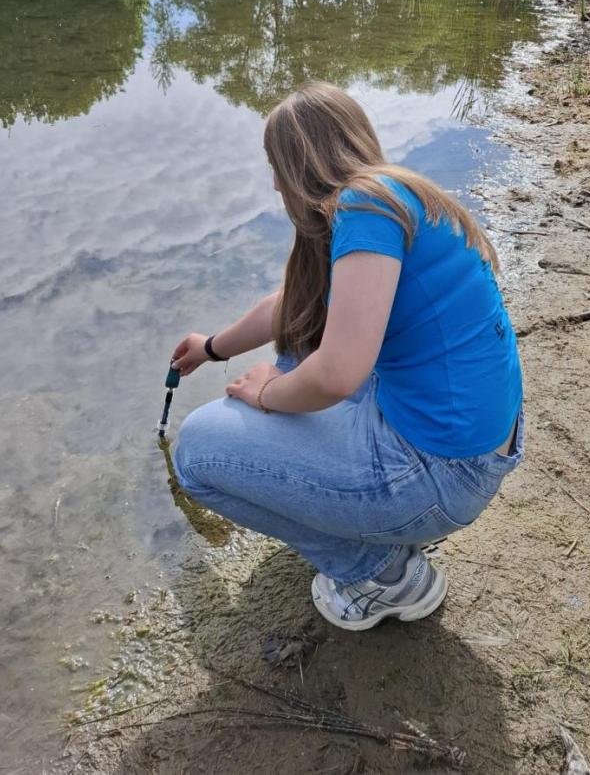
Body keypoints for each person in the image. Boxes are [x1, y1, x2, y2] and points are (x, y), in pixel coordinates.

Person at [169, 82, 523, 629]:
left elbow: (336, 375)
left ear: (295, 166)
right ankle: (377, 527)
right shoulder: (389, 195)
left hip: (442, 471)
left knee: (196, 454)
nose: (272, 182)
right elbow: (292, 305)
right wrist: (212, 348)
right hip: (473, 444)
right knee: (296, 345)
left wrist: (265, 394)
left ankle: (381, 573)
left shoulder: (363, 208)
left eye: (274, 166)